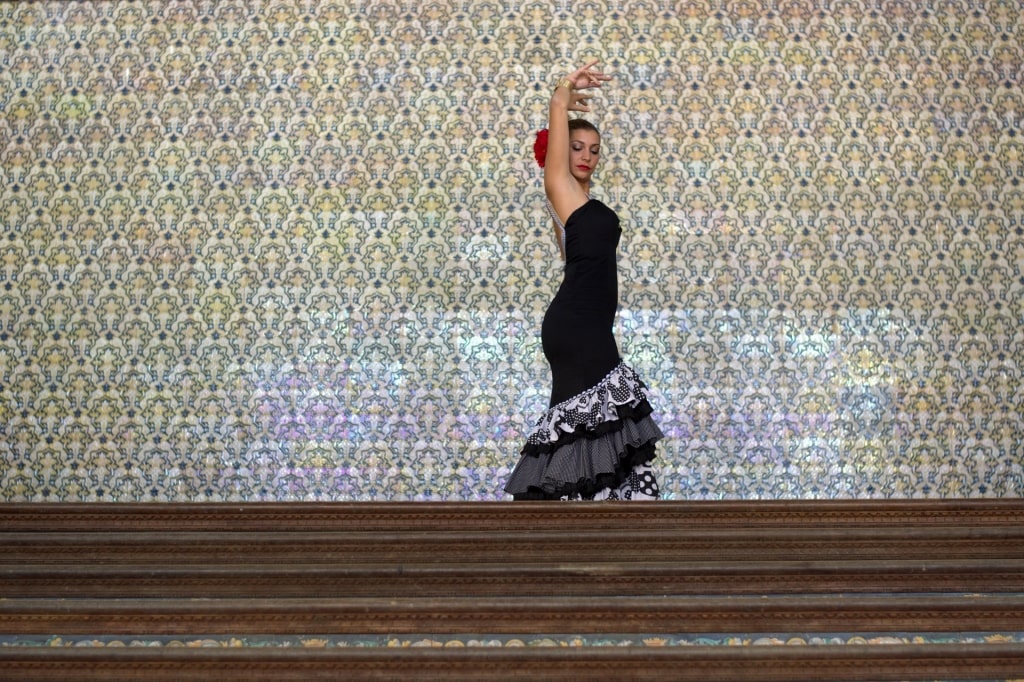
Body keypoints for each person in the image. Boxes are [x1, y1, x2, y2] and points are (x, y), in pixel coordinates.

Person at [504, 60, 664, 500]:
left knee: (599, 424)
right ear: (559, 150)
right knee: (606, 418)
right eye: (576, 147)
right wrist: (564, 91)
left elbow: (576, 261)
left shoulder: (577, 205)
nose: (587, 156)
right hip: (577, 328)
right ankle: (574, 508)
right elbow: (558, 111)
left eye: (594, 149)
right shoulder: (559, 187)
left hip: (585, 325)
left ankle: (583, 512)